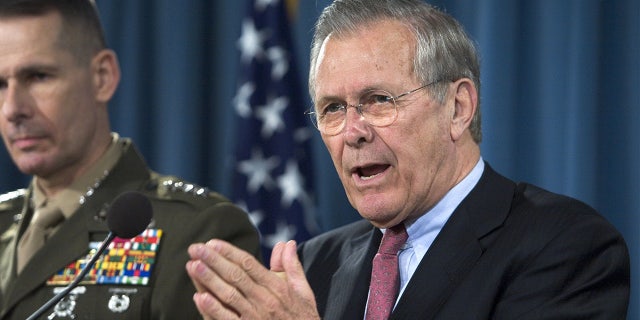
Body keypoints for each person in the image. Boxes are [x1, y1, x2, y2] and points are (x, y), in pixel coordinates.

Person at [186, 0, 630, 319]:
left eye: (379, 100)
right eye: (333, 109)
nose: (354, 131)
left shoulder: (565, 246)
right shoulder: (315, 264)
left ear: (457, 108)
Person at [0, 0, 261, 319]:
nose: (13, 109)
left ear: (102, 76)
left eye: (38, 76)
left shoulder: (198, 233)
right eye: (0, 85)